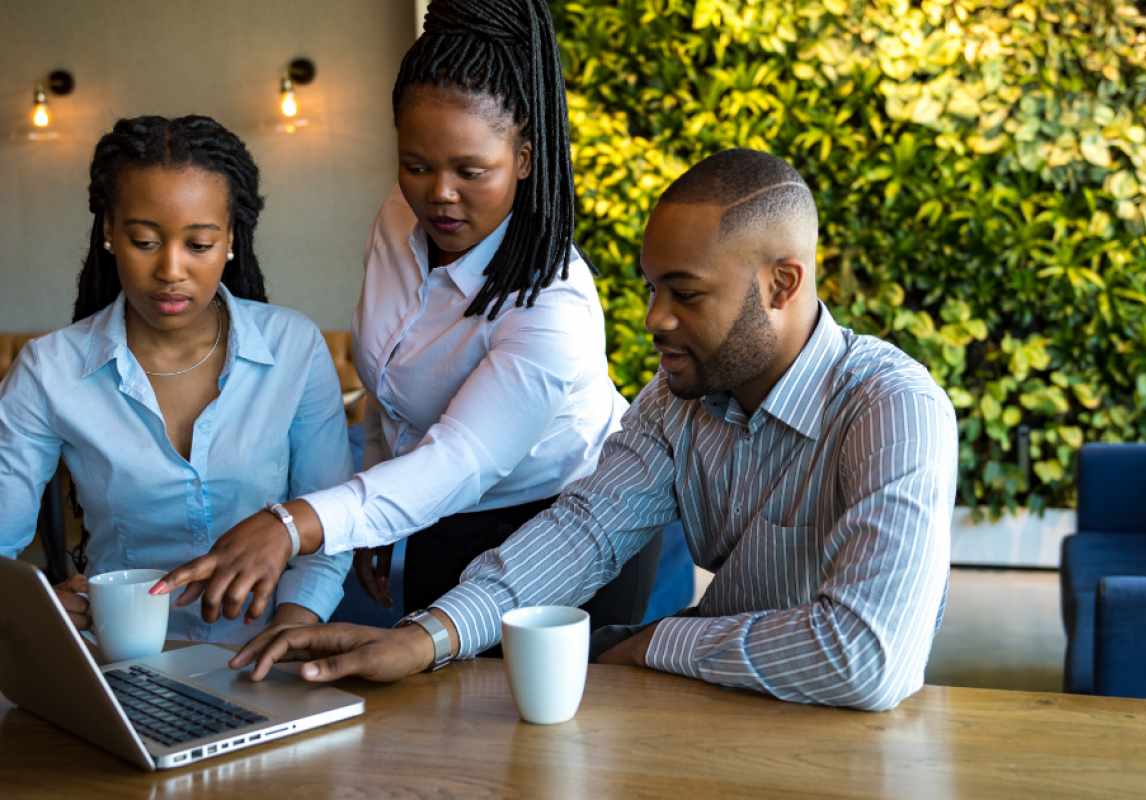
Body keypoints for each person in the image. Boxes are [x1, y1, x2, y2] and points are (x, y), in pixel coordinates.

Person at [224, 149, 960, 711]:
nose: (654, 320)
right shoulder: (677, 403)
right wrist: (422, 639)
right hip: (712, 714)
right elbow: (581, 533)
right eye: (650, 288)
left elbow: (866, 656)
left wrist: (652, 642)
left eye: (685, 294)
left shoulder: (894, 409)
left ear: (783, 284)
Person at [153, 0, 661, 639]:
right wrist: (370, 509)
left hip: (568, 521)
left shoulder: (551, 302)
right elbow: (388, 392)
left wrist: (295, 523)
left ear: (526, 158)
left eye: (471, 171)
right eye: (417, 165)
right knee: (439, 722)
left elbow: (459, 461)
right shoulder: (401, 216)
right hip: (437, 511)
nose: (439, 194)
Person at [0, 115, 353, 644]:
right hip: (117, 661)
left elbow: (327, 523)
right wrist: (38, 605)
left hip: (265, 656)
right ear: (109, 234)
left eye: (199, 244)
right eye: (144, 241)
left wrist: (287, 636)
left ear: (231, 239)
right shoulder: (49, 371)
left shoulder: (294, 348)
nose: (170, 269)